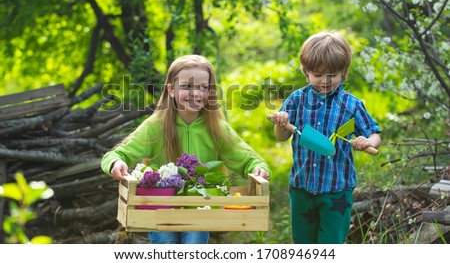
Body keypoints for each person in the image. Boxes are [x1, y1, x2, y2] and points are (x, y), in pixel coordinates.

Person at [101, 54, 271, 244]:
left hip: (200, 210)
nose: (196, 93)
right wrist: (116, 162)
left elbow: (247, 159)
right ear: (171, 90)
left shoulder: (216, 129)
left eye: (203, 88)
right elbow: (118, 154)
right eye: (187, 86)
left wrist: (259, 168)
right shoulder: (156, 126)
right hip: (161, 210)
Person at [271, 30, 381, 244]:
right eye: (317, 75)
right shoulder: (296, 100)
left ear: (343, 73)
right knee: (303, 244)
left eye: (331, 75)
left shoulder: (351, 105)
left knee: (331, 245)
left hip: (336, 191)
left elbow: (374, 134)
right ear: (306, 72)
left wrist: (368, 142)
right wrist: (282, 123)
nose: (324, 81)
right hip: (302, 187)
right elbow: (281, 137)